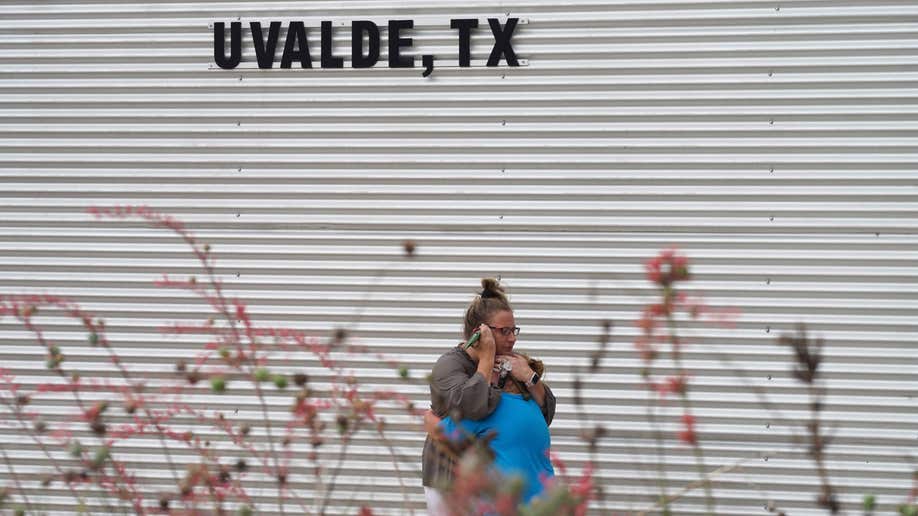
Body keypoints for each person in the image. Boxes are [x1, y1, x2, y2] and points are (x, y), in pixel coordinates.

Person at [421, 278, 556, 514]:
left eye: (514, 330)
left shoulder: (508, 361)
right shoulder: (450, 365)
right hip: (449, 479)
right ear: (480, 332)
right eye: (504, 331)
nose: (512, 338)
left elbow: (545, 411)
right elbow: (474, 406)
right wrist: (486, 358)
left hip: (486, 480)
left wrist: (528, 376)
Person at [429, 354, 555, 506]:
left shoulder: (491, 409)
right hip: (546, 503)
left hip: (508, 506)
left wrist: (429, 416)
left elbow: (439, 433)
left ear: (500, 374)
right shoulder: (533, 407)